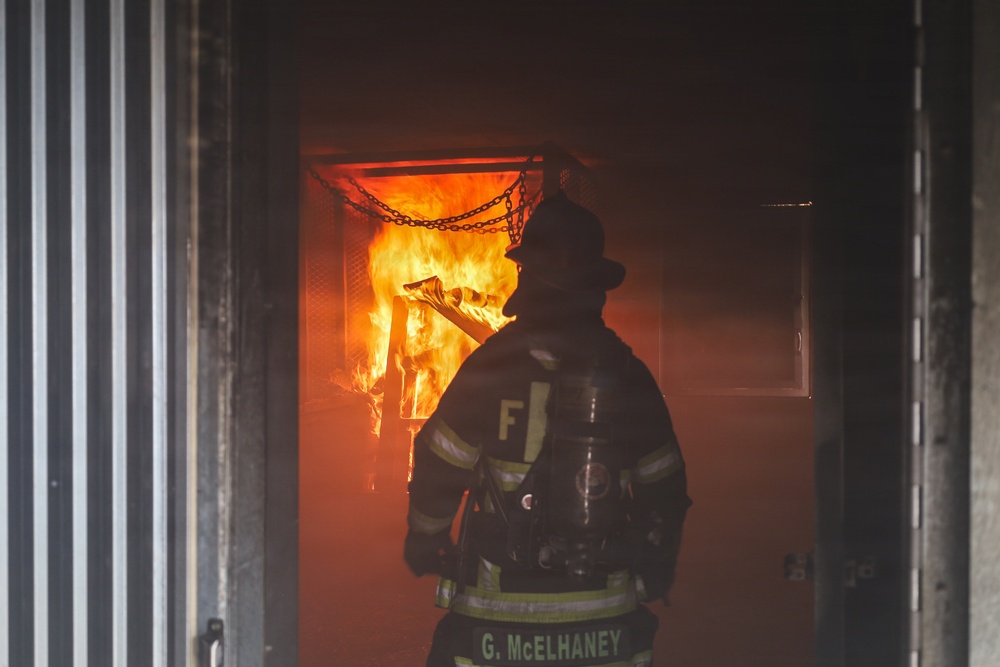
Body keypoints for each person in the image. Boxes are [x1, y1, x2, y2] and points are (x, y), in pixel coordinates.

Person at [404, 191, 691, 667]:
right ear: (594, 285)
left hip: (494, 631)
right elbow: (666, 486)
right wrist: (658, 564)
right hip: (606, 631)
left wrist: (425, 537)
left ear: (527, 274)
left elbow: (438, 464)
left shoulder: (490, 367)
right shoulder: (626, 372)